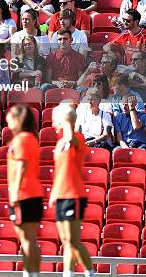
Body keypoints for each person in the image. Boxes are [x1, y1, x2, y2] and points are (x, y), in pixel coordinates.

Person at [49, 104, 95, 277]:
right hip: (61, 194)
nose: (53, 123)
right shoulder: (61, 142)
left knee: (74, 241)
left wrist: (68, 120)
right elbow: (60, 170)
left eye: (56, 118)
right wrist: (54, 193)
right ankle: (68, 274)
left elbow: (70, 137)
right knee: (67, 241)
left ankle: (90, 273)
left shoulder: (76, 138)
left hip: (73, 194)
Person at [6, 105, 43, 277]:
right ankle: (33, 273)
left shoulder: (22, 139)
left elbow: (21, 166)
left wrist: (14, 192)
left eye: (10, 116)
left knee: (26, 240)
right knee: (30, 239)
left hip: (24, 194)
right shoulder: (31, 138)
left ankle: (30, 274)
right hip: (33, 193)